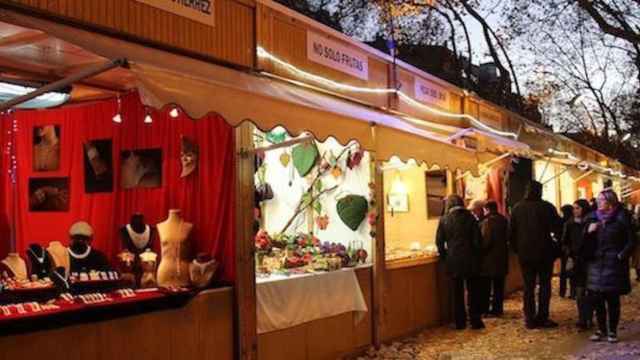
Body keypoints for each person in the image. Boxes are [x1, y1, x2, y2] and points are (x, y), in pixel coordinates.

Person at [585, 190, 636, 343]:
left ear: (610, 202)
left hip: (614, 263)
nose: (599, 202)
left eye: (602, 200)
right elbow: (583, 241)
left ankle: (612, 331)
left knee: (612, 299)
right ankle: (601, 329)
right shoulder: (592, 217)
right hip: (596, 263)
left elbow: (631, 240)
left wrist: (621, 255)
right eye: (598, 200)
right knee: (597, 299)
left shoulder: (622, 217)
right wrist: (588, 231)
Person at [510, 181, 562, 329]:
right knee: (545, 286)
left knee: (528, 286)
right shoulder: (547, 207)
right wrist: (556, 247)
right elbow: (558, 228)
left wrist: (518, 249)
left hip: (525, 254)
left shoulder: (517, 208)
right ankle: (542, 317)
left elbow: (511, 233)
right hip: (545, 252)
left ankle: (529, 318)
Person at [436, 195, 485, 330]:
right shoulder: (471, 218)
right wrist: (477, 255)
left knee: (457, 292)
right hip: (470, 259)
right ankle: (475, 320)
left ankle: (460, 322)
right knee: (473, 291)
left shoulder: (444, 220)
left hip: (453, 260)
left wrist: (445, 256)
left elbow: (439, 242)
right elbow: (477, 241)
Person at [562, 199, 593, 330]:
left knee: (591, 292)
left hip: (590, 261)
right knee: (580, 292)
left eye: (578, 208)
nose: (575, 211)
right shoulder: (569, 224)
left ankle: (589, 317)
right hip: (577, 261)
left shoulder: (591, 223)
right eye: (574, 208)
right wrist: (570, 253)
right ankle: (582, 319)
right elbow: (565, 242)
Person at [479, 200, 509, 317]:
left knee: (486, 287)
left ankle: (485, 309)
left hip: (488, 260)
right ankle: (498, 309)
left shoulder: (487, 222)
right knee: (499, 286)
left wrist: (480, 251)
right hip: (501, 259)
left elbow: (486, 241)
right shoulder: (504, 220)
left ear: (486, 209)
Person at [559, 204, 575, 298]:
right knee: (573, 271)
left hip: (564, 249)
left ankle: (562, 291)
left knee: (564, 271)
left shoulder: (562, 222)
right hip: (572, 249)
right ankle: (573, 292)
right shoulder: (573, 221)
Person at [631, 204, 640, 282]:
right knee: (637, 260)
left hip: (637, 241)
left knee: (637, 260)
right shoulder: (634, 219)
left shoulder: (634, 218)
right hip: (637, 242)